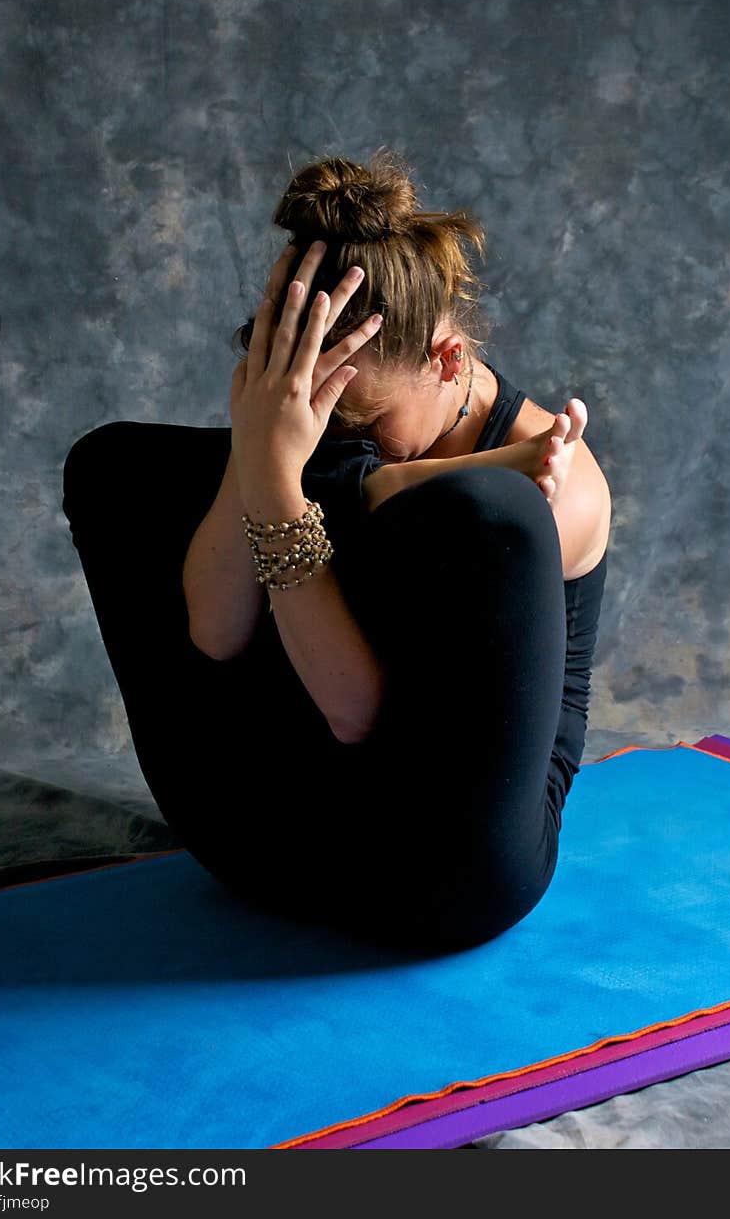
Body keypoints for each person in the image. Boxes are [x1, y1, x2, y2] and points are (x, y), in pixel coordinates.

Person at [61, 149, 611, 955]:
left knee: (490, 509)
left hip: (444, 872)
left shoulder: (559, 477)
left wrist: (288, 486)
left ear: (448, 359)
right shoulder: (314, 436)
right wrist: (273, 453)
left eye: (357, 423)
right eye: (310, 410)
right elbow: (214, 633)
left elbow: (360, 713)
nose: (331, 441)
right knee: (114, 466)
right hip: (255, 845)